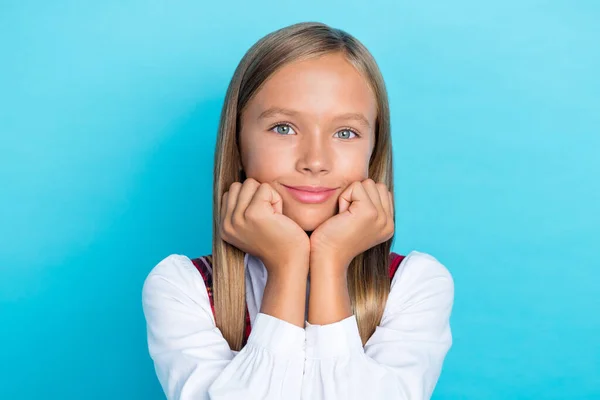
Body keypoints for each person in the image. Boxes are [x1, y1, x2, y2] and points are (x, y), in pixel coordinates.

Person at [142, 21, 454, 400]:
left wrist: (329, 261)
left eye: (345, 133)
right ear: (238, 143)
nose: (315, 161)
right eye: (284, 128)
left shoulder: (415, 285)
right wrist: (288, 264)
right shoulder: (182, 288)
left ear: (373, 151)